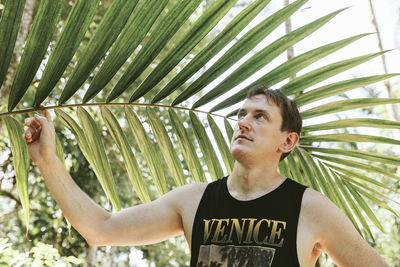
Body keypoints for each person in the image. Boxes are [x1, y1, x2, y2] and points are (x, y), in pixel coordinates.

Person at [24, 85, 389, 266]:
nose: (244, 122)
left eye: (260, 116)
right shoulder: (192, 201)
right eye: (242, 114)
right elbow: (100, 229)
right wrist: (48, 162)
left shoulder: (311, 208)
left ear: (288, 140)